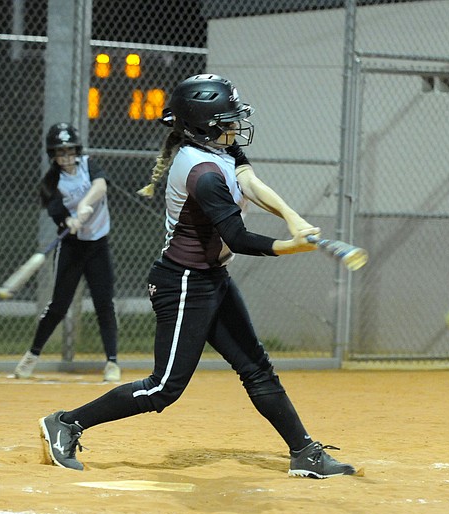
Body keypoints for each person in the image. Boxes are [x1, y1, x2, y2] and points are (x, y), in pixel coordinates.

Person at [37, 74, 357, 479]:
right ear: (205, 125)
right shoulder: (201, 171)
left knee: (256, 366)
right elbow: (237, 237)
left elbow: (249, 182)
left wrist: (293, 218)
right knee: (163, 388)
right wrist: (290, 246)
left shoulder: (219, 149)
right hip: (184, 284)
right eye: (228, 118)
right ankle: (66, 423)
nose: (235, 125)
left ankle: (304, 452)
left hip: (212, 278)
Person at [13, 122, 121, 382]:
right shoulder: (50, 183)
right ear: (53, 156)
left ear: (77, 150)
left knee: (104, 303)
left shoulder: (88, 164)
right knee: (58, 306)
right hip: (72, 247)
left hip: (98, 244)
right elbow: (59, 215)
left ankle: (112, 362)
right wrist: (68, 222)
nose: (66, 157)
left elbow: (101, 186)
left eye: (70, 151)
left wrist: (84, 204)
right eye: (60, 153)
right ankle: (31, 356)